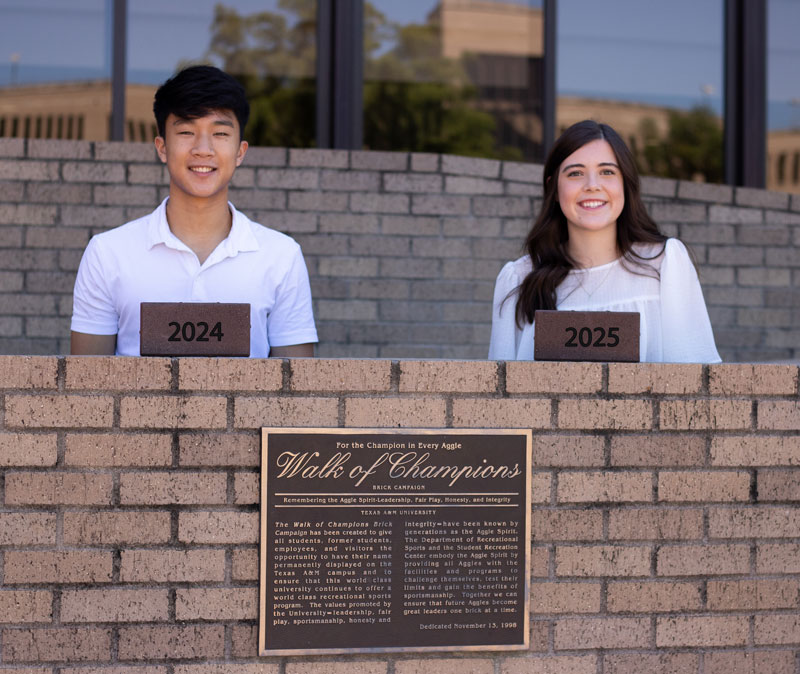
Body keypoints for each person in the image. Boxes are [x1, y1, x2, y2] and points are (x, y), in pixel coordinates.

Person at [71, 65, 317, 357]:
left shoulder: (281, 256)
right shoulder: (107, 253)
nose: (203, 149)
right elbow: (85, 385)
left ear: (240, 151)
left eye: (220, 133)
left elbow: (298, 390)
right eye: (187, 131)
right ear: (162, 147)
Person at [489, 120, 720, 363]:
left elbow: (697, 384)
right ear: (554, 189)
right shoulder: (519, 280)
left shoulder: (664, 265)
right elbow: (500, 393)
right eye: (575, 173)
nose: (592, 185)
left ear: (625, 183)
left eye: (607, 172)